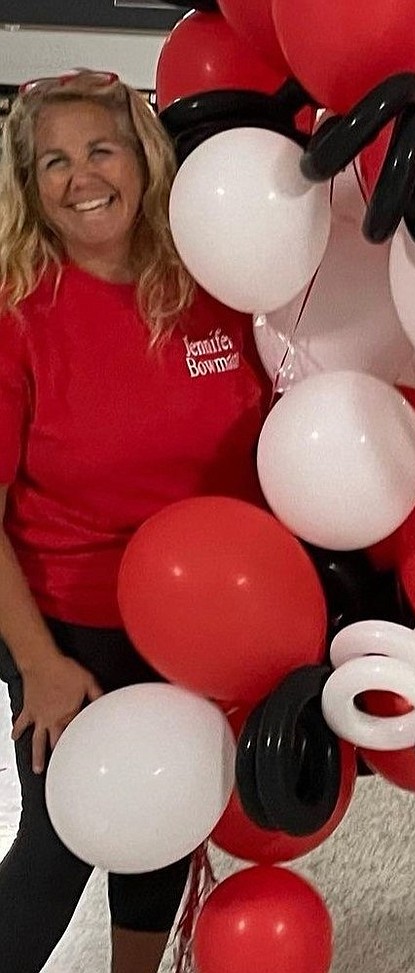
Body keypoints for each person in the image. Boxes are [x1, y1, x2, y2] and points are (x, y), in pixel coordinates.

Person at [0, 70, 268, 973]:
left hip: (202, 616)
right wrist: (38, 665)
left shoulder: (217, 276)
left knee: (167, 812)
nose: (82, 177)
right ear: (29, 185)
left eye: (101, 149)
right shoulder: (18, 312)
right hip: (68, 617)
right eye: (54, 162)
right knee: (63, 839)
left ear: (145, 160)